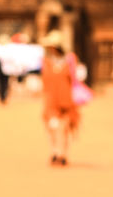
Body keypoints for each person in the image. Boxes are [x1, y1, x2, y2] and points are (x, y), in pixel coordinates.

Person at [40, 30, 80, 166]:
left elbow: (75, 79)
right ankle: (54, 151)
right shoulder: (46, 61)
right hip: (51, 100)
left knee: (64, 128)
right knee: (52, 127)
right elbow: (45, 80)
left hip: (66, 99)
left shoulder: (70, 59)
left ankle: (63, 153)